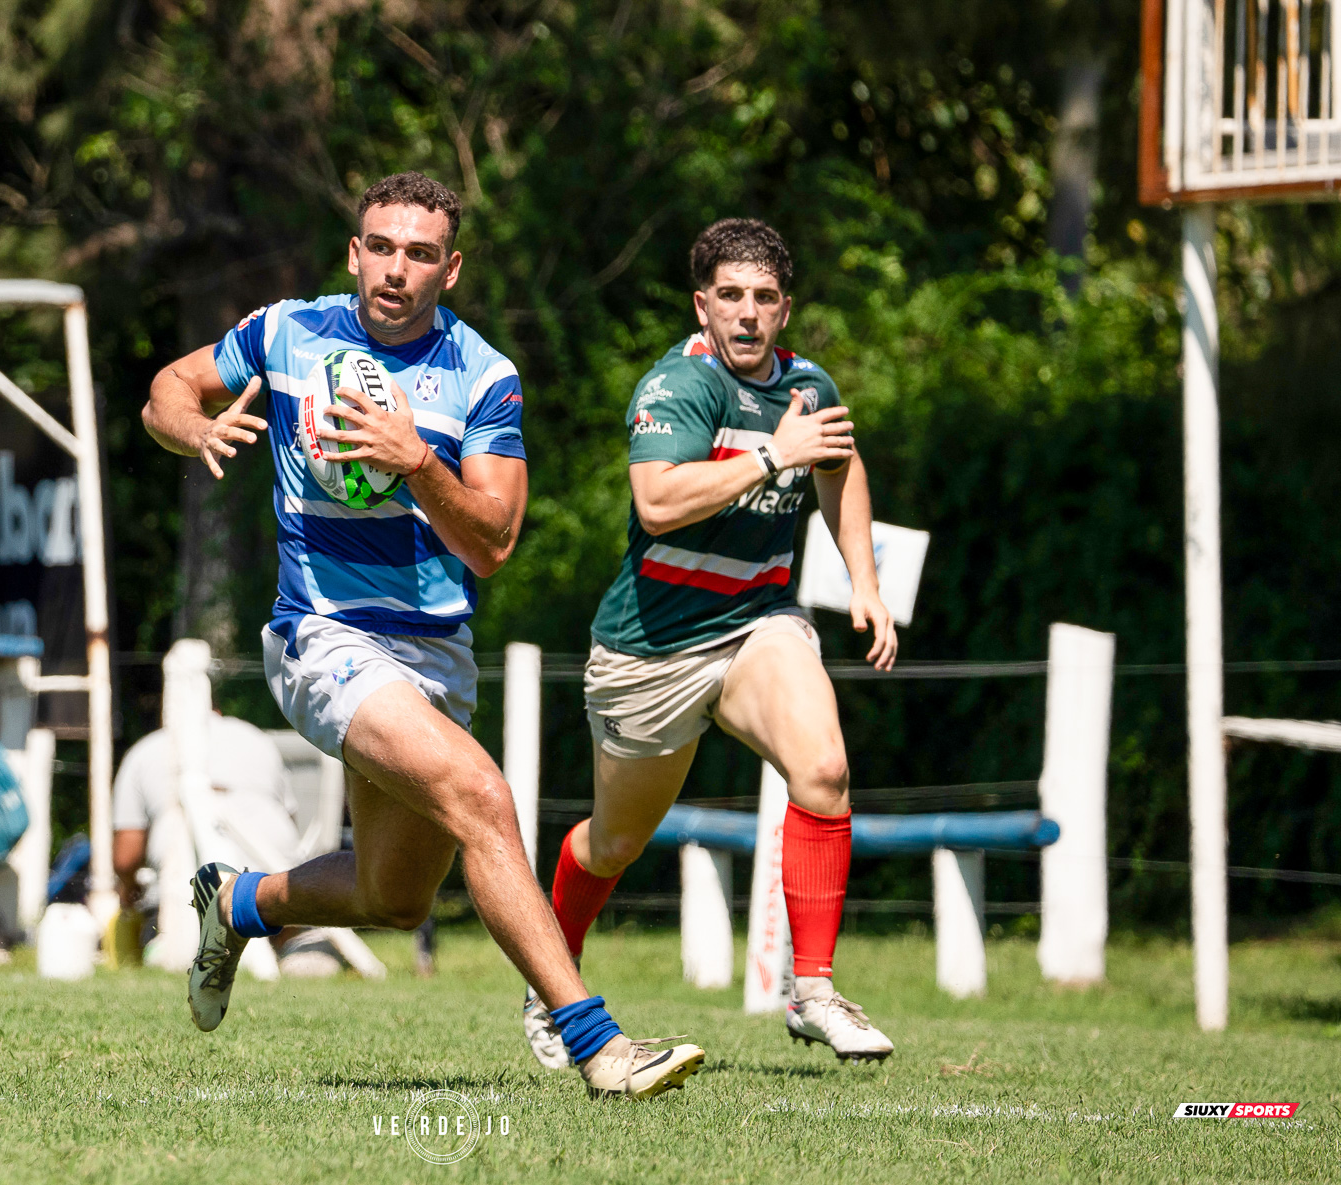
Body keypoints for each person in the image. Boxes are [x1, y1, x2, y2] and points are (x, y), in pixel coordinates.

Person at [142, 171, 704, 1098]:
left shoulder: (484, 375)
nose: (395, 269)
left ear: (451, 268)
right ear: (355, 252)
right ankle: (598, 1044)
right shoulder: (288, 331)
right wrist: (189, 425)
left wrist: (418, 465)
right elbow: (170, 385)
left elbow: (493, 541)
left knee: (394, 895)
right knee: (482, 793)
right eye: (382, 247)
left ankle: (236, 899)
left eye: (420, 253)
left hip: (431, 654)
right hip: (320, 636)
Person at [526, 218, 899, 1067]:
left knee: (826, 769)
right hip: (649, 652)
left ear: (785, 309)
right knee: (613, 843)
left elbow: (840, 465)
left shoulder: (808, 386)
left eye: (764, 298)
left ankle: (814, 990)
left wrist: (865, 584)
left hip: (755, 626)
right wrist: (775, 454)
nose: (747, 314)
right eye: (730, 296)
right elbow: (657, 502)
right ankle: (553, 979)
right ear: (703, 305)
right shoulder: (679, 385)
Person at [109, 713, 313, 966]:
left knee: (169, 946)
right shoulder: (256, 737)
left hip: (190, 886)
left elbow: (125, 858)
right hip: (274, 875)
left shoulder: (144, 750)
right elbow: (289, 821)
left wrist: (128, 889)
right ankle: (295, 952)